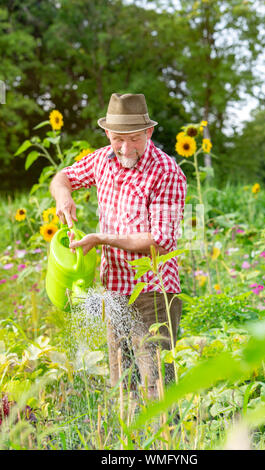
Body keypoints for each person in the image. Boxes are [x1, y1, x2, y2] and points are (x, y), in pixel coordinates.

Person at [50, 93, 187, 399]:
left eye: (134, 139)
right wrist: (63, 196)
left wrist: (101, 238)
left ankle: (168, 445)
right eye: (118, 139)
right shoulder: (102, 160)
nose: (126, 149)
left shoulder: (166, 173)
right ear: (107, 134)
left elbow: (159, 242)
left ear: (149, 132)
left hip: (153, 293)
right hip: (114, 289)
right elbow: (63, 177)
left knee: (158, 386)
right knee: (122, 384)